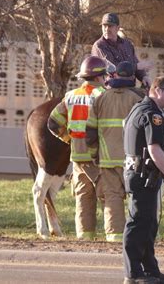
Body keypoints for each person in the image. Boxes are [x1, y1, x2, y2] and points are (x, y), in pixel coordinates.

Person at [122, 76, 164, 284]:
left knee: (148, 223)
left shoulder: (138, 109)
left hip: (141, 173)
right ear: (157, 90)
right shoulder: (152, 114)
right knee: (138, 223)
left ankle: (150, 270)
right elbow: (154, 150)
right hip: (142, 174)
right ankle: (133, 274)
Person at [47, 56, 107, 240]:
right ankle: (112, 236)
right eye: (104, 76)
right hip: (101, 155)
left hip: (79, 155)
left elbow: (53, 123)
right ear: (98, 78)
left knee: (83, 197)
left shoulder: (71, 96)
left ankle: (85, 237)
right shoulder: (105, 95)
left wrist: (69, 139)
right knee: (108, 196)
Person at [85, 61, 143, 242]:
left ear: (115, 75)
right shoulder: (139, 98)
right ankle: (137, 236)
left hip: (108, 159)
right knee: (138, 198)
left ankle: (115, 237)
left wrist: (96, 154)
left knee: (112, 197)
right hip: (133, 160)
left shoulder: (101, 98)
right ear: (133, 77)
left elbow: (90, 132)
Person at [91, 13, 152, 88]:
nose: (106, 29)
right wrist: (136, 66)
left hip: (130, 88)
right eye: (104, 26)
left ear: (118, 28)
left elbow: (135, 62)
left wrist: (143, 76)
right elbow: (111, 68)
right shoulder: (99, 45)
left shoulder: (127, 44)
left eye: (110, 26)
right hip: (110, 90)